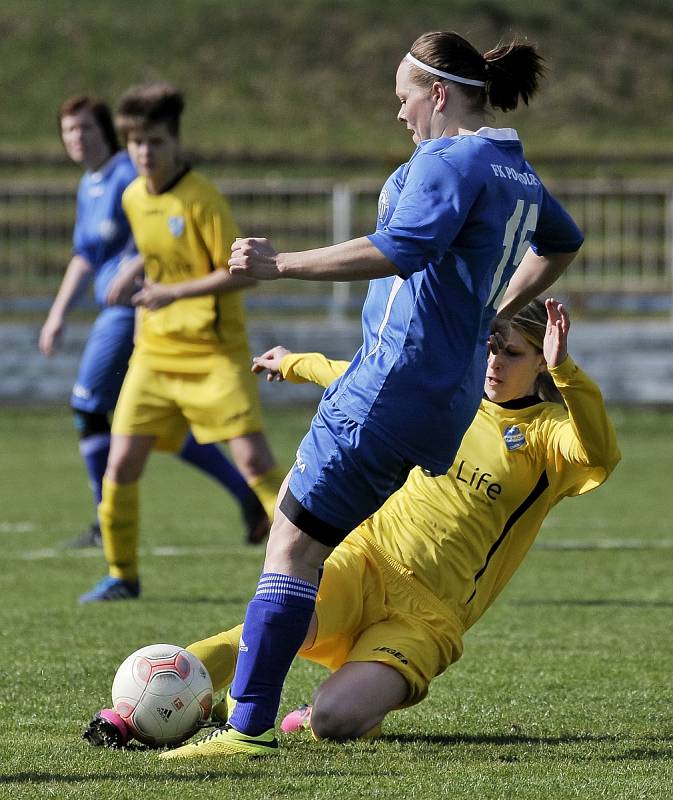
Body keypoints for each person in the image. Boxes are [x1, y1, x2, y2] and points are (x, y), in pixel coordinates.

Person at [163, 31, 586, 755]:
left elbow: (401, 248)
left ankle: (246, 729)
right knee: (314, 544)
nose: (400, 115)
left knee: (292, 547)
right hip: (443, 401)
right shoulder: (513, 168)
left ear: (439, 95)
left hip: (388, 387)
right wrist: (491, 309)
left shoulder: (449, 159)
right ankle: (294, 689)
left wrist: (279, 264)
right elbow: (563, 241)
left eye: (403, 99)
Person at [83, 299, 620, 750]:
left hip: (428, 617)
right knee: (269, 631)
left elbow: (600, 450)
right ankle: (132, 714)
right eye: (490, 346)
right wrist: (294, 363)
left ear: (540, 362)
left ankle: (327, 711)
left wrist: (567, 369)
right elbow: (362, 378)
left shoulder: (547, 434)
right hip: (364, 560)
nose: (495, 361)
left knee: (336, 721)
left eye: (513, 352)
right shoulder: (446, 398)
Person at [78, 83, 284, 603]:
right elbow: (157, 252)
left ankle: (309, 567)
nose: (145, 153)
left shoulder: (202, 198)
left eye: (156, 142)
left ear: (176, 142)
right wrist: (133, 270)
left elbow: (240, 274)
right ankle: (121, 575)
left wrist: (173, 292)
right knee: (121, 465)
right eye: (136, 143)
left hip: (214, 353)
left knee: (257, 464)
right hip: (154, 354)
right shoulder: (131, 196)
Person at [39, 96, 269, 551]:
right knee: (139, 441)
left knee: (92, 405)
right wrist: (62, 310)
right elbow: (98, 251)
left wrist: (145, 276)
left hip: (176, 329)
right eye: (68, 131)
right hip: (147, 331)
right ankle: (120, 562)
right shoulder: (109, 188)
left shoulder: (162, 185)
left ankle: (299, 542)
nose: (75, 139)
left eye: (84, 129)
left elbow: (190, 240)